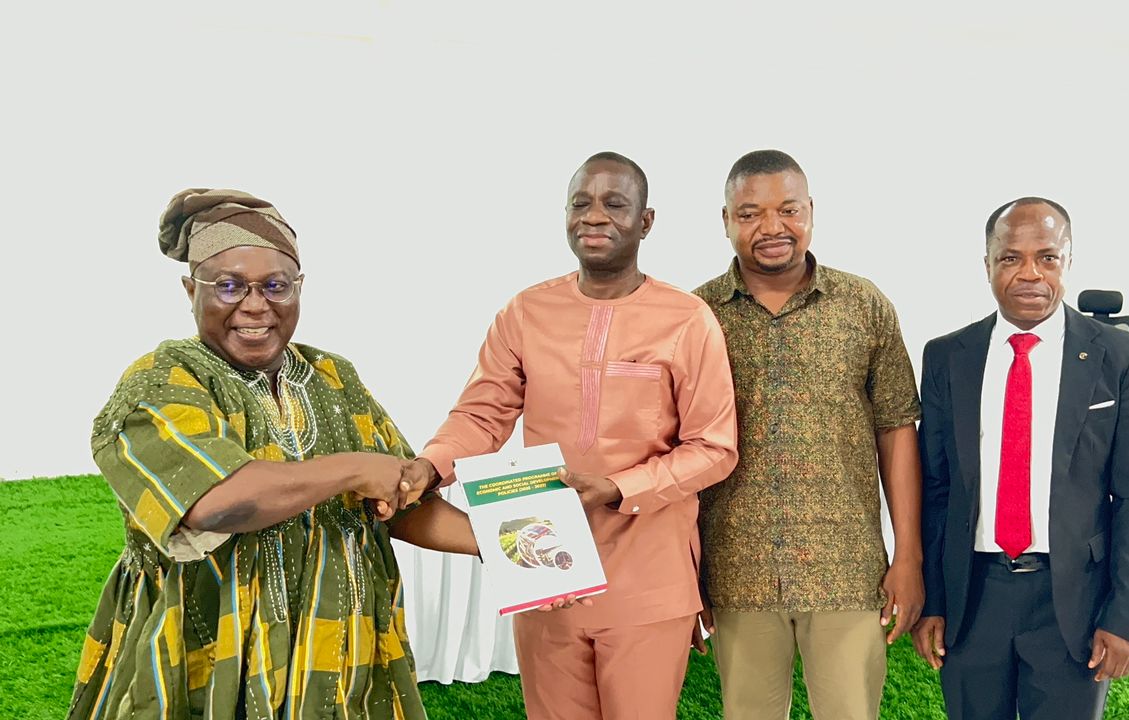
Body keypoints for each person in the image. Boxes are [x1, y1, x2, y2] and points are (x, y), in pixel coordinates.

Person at [66, 189, 479, 720]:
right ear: (190, 290)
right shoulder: (162, 379)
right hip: (208, 649)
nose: (255, 305)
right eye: (229, 285)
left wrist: (510, 549)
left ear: (299, 288)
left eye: (276, 286)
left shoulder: (333, 376)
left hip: (340, 647)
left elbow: (401, 502)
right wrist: (353, 469)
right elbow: (214, 502)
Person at [400, 152, 738, 719]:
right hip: (542, 566)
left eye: (614, 204)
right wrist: (431, 466)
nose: (594, 216)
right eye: (581, 203)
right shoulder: (526, 312)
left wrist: (616, 487)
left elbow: (714, 448)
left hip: (648, 574)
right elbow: (482, 415)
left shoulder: (687, 318)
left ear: (646, 222)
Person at [692, 149, 925, 719]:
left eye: (788, 210)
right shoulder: (696, 315)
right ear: (725, 220)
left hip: (846, 567)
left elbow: (896, 429)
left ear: (811, 212)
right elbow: (681, 449)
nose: (772, 227)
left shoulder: (864, 305)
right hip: (737, 570)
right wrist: (686, 571)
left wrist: (908, 556)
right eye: (749, 213)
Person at [912, 197, 1129, 719]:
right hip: (972, 598)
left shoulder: (1118, 356)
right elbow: (935, 489)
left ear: (1068, 260)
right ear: (987, 264)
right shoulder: (947, 356)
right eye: (1011, 258)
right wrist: (932, 600)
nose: (1030, 273)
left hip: (1073, 600)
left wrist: (1127, 617)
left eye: (1047, 257)